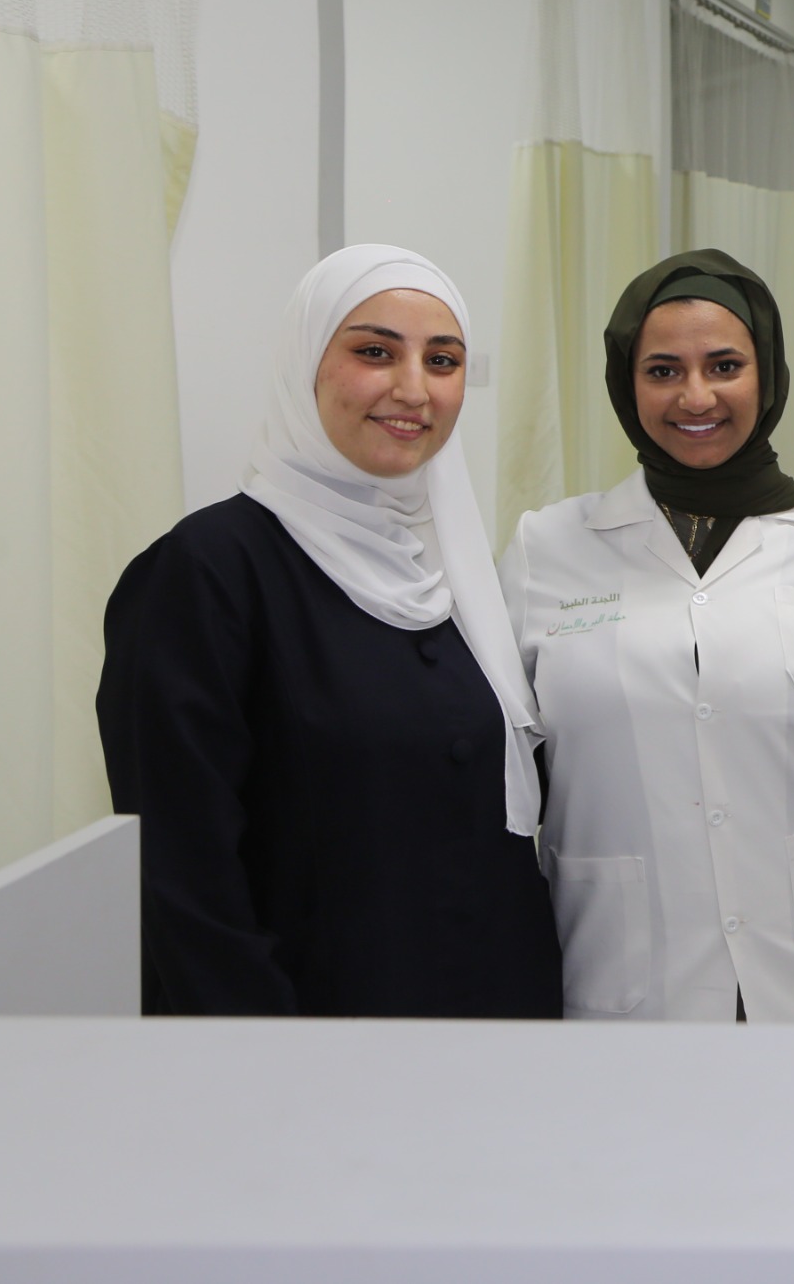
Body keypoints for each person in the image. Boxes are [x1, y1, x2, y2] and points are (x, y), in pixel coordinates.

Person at [502, 249, 794, 1023]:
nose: (696, 396)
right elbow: (504, 785)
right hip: (626, 987)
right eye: (663, 371)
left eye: (725, 366)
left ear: (768, 374)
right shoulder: (544, 552)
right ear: (625, 383)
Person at [97, 246, 560, 1016]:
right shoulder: (206, 574)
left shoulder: (456, 578)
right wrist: (272, 1058)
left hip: (495, 1031)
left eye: (442, 360)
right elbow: (181, 876)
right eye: (375, 352)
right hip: (311, 1041)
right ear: (304, 363)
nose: (413, 388)